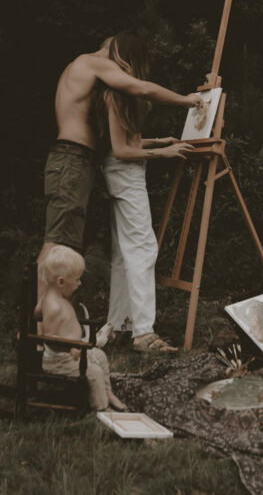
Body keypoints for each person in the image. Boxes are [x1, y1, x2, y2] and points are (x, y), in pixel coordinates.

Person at [38, 30, 201, 306]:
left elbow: (114, 141)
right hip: (72, 160)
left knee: (64, 240)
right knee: (58, 241)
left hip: (74, 160)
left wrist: (156, 141)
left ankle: (49, 317)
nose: (124, 70)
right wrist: (189, 101)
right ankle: (43, 318)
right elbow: (142, 88)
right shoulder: (94, 62)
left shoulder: (79, 68)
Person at [93, 32, 197, 353]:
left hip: (120, 171)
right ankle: (143, 333)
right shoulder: (114, 94)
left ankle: (119, 324)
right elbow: (122, 151)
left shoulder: (117, 93)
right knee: (142, 248)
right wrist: (161, 154)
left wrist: (158, 141)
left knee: (125, 253)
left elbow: (125, 144)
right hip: (124, 173)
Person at [36, 243, 126, 411]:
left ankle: (107, 393)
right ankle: (101, 408)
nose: (79, 283)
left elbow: (36, 314)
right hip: (59, 360)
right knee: (94, 372)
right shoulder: (54, 306)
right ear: (61, 282)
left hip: (74, 352)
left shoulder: (54, 298)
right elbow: (49, 338)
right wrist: (70, 346)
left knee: (100, 355)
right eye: (76, 279)